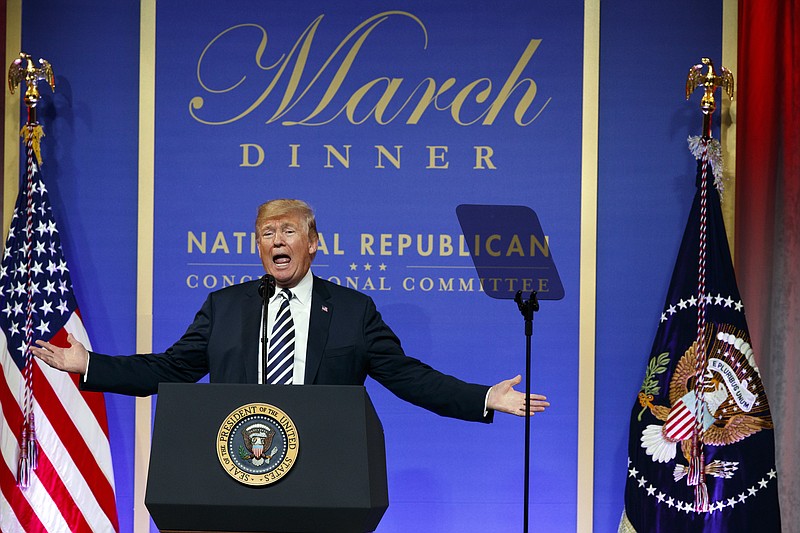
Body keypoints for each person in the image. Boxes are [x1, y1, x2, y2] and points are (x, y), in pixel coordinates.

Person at [33, 199, 549, 422]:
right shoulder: (225, 306)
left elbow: (407, 376)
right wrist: (91, 365)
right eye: (266, 233)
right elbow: (171, 369)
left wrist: (483, 397)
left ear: (314, 243)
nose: (276, 241)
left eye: (288, 231)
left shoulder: (351, 310)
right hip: (234, 467)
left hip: (324, 474)